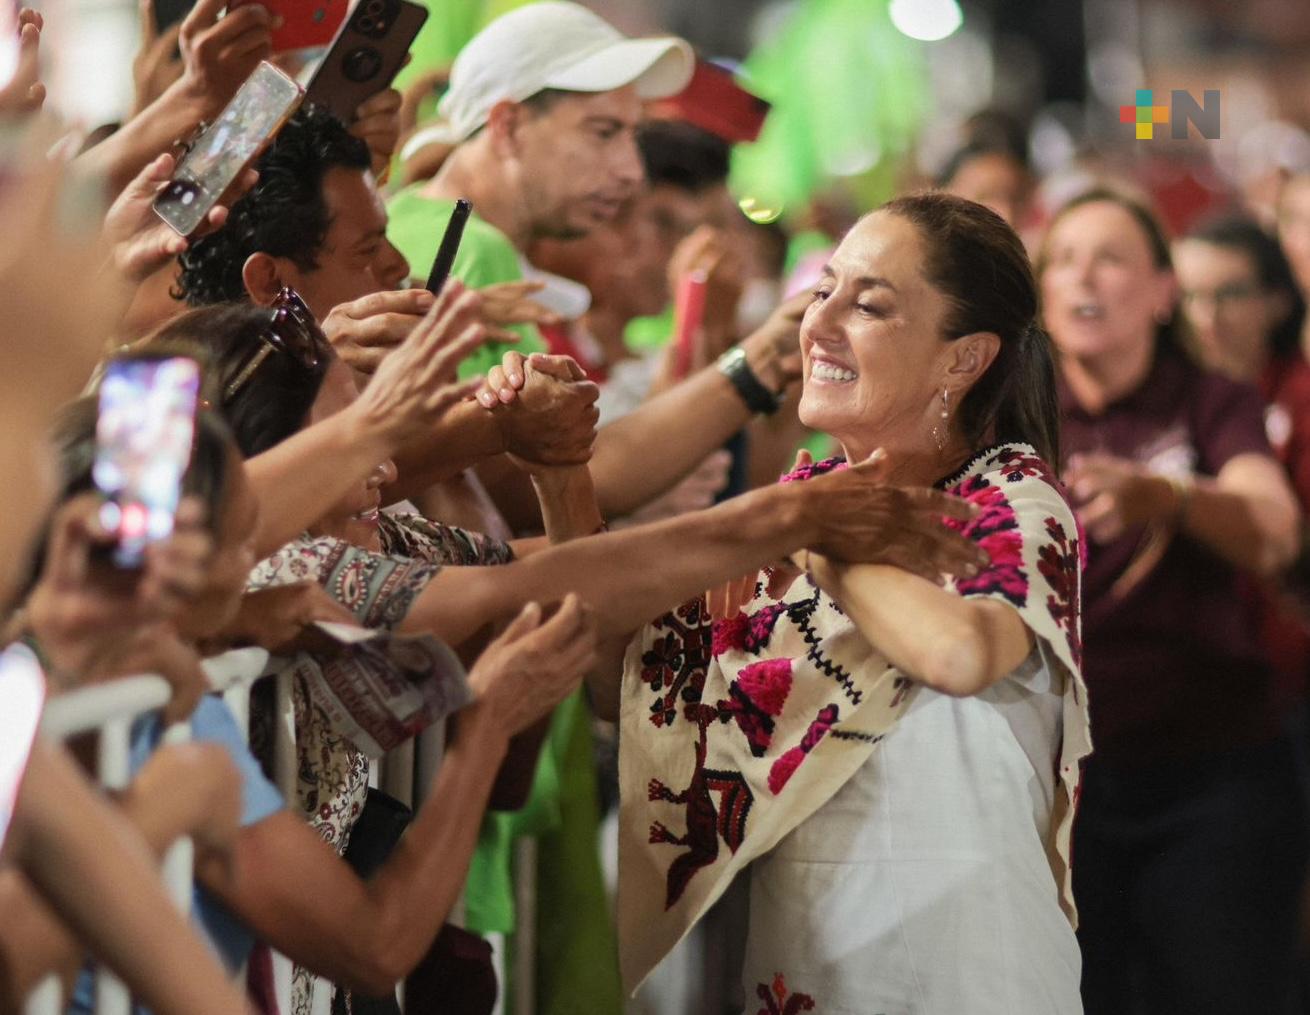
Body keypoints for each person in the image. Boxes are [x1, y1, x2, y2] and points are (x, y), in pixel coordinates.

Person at [607, 192, 1087, 1013]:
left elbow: (960, 652)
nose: (819, 323)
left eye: (868, 305)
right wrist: (558, 476)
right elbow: (630, 678)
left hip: (964, 978)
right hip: (806, 975)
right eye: (823, 290)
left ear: (963, 360)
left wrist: (813, 540)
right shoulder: (799, 505)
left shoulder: (1008, 498)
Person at [1040, 188, 1305, 1014]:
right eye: (1063, 259)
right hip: (1061, 788)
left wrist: (1171, 498)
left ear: (1163, 291)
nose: (1084, 276)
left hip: (1211, 775)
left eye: (1110, 258)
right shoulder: (1016, 412)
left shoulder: (1211, 399)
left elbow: (1275, 532)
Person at [386, 0, 695, 379]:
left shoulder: (403, 215)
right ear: (508, 126)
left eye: (633, 135)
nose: (631, 171)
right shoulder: (476, 251)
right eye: (603, 132)